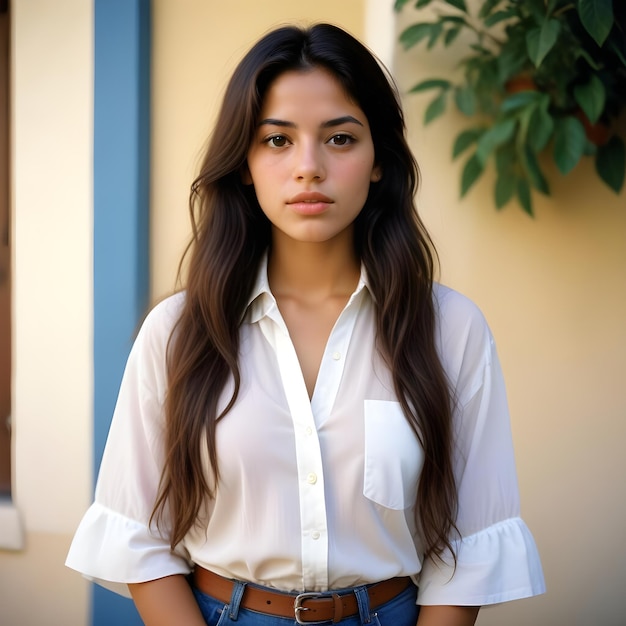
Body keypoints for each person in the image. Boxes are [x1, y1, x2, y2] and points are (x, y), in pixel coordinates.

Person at [66, 23, 545, 626]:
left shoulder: (450, 329)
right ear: (243, 162)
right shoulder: (179, 331)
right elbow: (138, 538)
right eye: (277, 141)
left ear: (378, 162)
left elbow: (470, 546)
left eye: (340, 138)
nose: (309, 167)